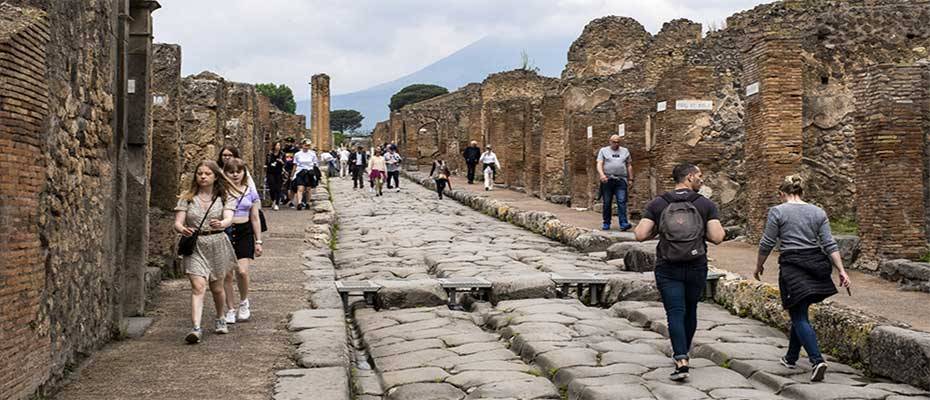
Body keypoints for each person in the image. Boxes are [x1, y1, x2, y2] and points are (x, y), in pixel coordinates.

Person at [754, 174, 851, 382]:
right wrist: (842, 270)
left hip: (793, 265)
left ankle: (817, 360)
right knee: (800, 312)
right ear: (802, 192)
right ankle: (790, 357)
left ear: (782, 193)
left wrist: (759, 265)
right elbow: (829, 243)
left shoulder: (777, 211)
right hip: (817, 264)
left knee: (798, 315)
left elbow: (767, 242)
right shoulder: (818, 212)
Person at [633, 163, 725, 381]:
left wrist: (659, 229)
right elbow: (718, 237)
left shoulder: (659, 203)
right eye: (699, 176)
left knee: (675, 311)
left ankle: (681, 357)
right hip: (696, 264)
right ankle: (685, 351)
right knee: (690, 309)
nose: (701, 180)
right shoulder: (705, 204)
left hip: (668, 265)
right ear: (690, 177)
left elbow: (640, 234)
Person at [174, 160, 240, 344]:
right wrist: (182, 229)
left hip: (217, 242)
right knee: (198, 286)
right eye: (199, 173)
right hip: (195, 244)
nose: (203, 176)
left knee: (217, 288)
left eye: (207, 174)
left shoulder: (225, 197)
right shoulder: (187, 197)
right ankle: (196, 328)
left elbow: (229, 217)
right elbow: (178, 222)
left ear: (215, 176)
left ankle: (220, 317)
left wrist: (223, 223)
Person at [222, 158, 262, 326]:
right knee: (227, 273)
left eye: (239, 171)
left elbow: (255, 217)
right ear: (225, 174)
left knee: (242, 271)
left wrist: (258, 240)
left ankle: (244, 301)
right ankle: (230, 309)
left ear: (244, 173)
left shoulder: (250, 191)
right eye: (231, 171)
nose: (235, 174)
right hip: (226, 231)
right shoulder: (221, 192)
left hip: (244, 230)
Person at [597, 134, 634, 231]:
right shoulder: (603, 151)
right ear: (610, 142)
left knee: (622, 201)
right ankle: (606, 223)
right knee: (607, 202)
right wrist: (602, 175)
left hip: (621, 180)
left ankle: (623, 223)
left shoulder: (625, 151)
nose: (616, 144)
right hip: (607, 179)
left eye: (618, 142)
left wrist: (631, 179)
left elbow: (629, 165)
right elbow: (599, 163)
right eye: (614, 142)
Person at [291, 140, 318, 210]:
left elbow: (315, 164)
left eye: (308, 146)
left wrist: (315, 174)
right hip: (300, 172)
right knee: (300, 188)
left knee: (308, 189)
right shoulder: (297, 154)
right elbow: (295, 165)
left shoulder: (312, 154)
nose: (306, 147)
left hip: (309, 172)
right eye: (305, 145)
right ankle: (299, 203)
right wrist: (292, 174)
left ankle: (308, 203)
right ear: (302, 145)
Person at [265, 142, 285, 210]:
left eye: (279, 145)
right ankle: (273, 199)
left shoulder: (282, 154)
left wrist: (281, 161)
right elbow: (267, 163)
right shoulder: (269, 154)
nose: (278, 146)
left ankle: (277, 203)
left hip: (279, 172)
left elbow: (285, 163)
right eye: (277, 145)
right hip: (270, 172)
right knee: (272, 187)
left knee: (278, 188)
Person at [283, 138, 299, 208]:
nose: (288, 144)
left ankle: (291, 200)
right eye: (287, 142)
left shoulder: (296, 151)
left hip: (293, 169)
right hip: (285, 169)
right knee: (285, 185)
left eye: (289, 142)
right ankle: (287, 198)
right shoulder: (284, 150)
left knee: (292, 186)